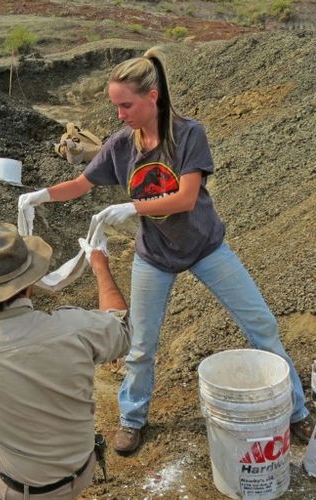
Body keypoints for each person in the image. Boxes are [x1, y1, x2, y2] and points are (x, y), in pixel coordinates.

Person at [17, 47, 314, 456]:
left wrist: (132, 206)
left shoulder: (189, 134)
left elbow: (187, 197)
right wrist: (38, 197)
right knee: (141, 344)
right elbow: (82, 184)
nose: (120, 114)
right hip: (155, 255)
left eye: (127, 105)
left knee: (261, 324)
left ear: (152, 97)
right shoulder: (121, 145)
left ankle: (295, 410)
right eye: (116, 106)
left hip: (205, 247)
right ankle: (132, 418)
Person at [0, 222, 131, 499]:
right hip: (79, 468)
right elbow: (122, 326)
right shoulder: (75, 329)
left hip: (21, 490)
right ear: (30, 283)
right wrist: (100, 264)